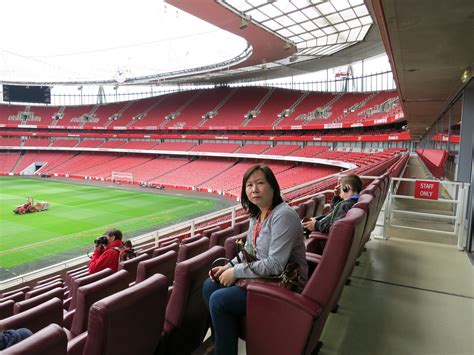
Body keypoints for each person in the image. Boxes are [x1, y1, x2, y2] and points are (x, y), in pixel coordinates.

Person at [202, 164, 308, 355]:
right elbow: (248, 252)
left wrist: (235, 272)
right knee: (208, 286)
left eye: (260, 183)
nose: (254, 189)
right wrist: (228, 266)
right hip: (265, 278)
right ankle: (221, 344)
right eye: (249, 185)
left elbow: (276, 265)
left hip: (283, 284)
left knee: (219, 300)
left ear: (273, 187)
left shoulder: (283, 216)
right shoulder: (258, 216)